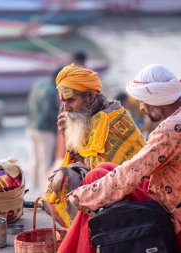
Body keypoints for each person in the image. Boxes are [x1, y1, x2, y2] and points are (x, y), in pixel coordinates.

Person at [64, 64, 181, 253]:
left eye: (143, 101)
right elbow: (131, 170)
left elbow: (127, 176)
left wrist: (81, 196)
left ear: (158, 100)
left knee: (92, 194)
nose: (141, 107)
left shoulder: (172, 129)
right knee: (100, 172)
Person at [45, 63, 145, 227]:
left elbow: (100, 175)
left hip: (130, 198)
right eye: (63, 101)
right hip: (106, 192)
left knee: (64, 178)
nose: (66, 108)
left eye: (71, 100)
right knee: (58, 181)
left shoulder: (110, 120)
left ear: (90, 97)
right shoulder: (89, 117)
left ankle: (82, 232)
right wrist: (69, 138)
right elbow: (83, 159)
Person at [26, 67, 61, 191]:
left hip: (31, 126)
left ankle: (33, 187)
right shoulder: (52, 90)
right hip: (45, 129)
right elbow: (48, 113)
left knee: (34, 160)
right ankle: (43, 190)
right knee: (45, 161)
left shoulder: (39, 84)